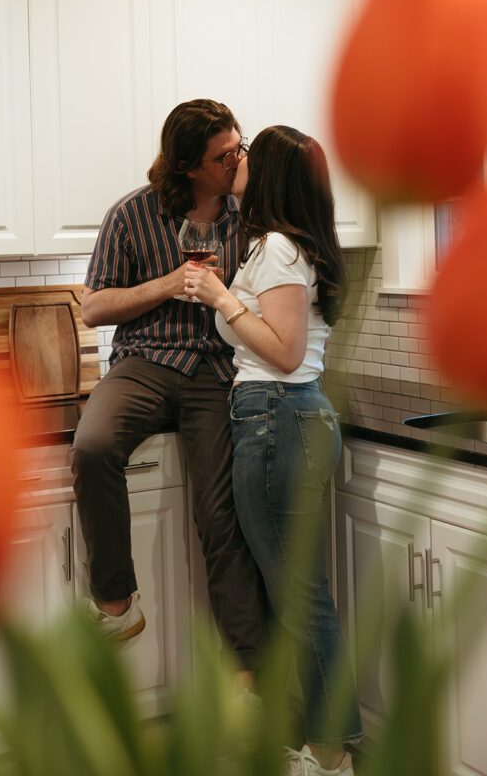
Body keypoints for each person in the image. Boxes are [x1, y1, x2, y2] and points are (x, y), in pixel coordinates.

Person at [185, 125, 363, 776]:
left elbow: (284, 352)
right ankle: (329, 745)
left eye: (248, 154)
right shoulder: (287, 245)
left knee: (298, 598)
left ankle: (329, 755)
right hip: (287, 420)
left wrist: (221, 296)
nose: (239, 161)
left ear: (272, 176)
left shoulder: (278, 250)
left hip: (274, 419)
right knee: (300, 595)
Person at [71, 98, 267, 684]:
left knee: (220, 518)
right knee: (92, 446)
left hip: (217, 368)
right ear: (187, 166)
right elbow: (95, 307)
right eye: (223, 154)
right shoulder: (130, 214)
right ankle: (116, 602)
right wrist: (168, 284)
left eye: (238, 146)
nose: (236, 159)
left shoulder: (249, 212)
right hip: (146, 362)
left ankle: (252, 678)